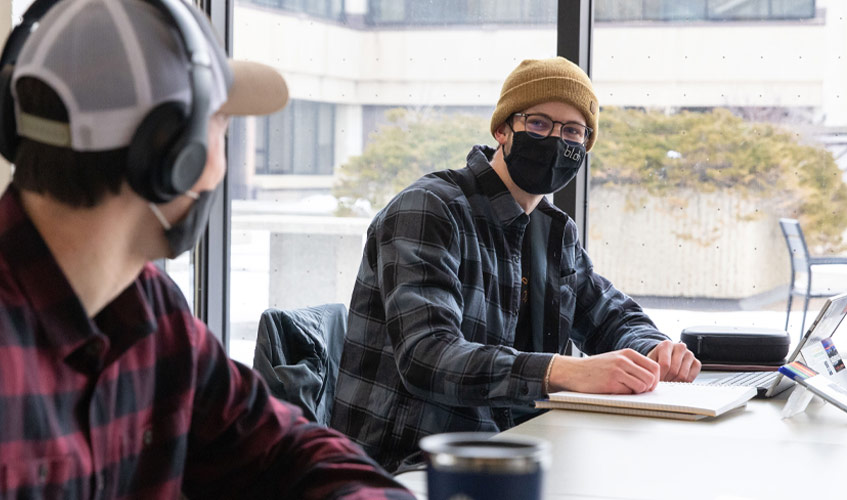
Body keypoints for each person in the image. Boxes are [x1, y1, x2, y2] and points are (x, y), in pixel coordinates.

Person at [0, 0, 413, 498]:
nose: (221, 156)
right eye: (220, 126)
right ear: (172, 152)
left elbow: (283, 449)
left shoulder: (153, 311)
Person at [331, 56, 702, 472]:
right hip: (410, 463)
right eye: (539, 124)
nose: (556, 141)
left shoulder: (553, 232)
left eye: (573, 132)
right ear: (502, 129)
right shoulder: (430, 209)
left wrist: (653, 350)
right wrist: (562, 372)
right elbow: (427, 356)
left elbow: (610, 316)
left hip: (514, 448)